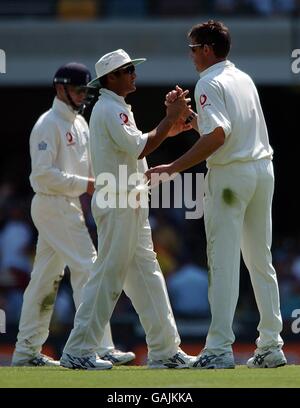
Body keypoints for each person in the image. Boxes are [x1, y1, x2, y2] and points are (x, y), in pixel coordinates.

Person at [147, 20, 287, 369]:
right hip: (261, 171)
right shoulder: (242, 78)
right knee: (260, 260)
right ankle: (271, 345)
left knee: (223, 262)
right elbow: (223, 129)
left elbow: (219, 136)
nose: (191, 55)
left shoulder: (208, 81)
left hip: (229, 178)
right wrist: (189, 118)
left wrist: (172, 167)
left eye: (193, 48)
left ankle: (219, 349)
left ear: (207, 49)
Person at [60, 49, 195, 370]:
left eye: (133, 68)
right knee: (108, 275)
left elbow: (135, 147)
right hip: (118, 201)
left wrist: (170, 126)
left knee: (147, 275)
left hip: (130, 201)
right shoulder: (109, 108)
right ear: (110, 78)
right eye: (127, 70)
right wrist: (169, 117)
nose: (133, 73)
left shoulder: (115, 107)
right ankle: (77, 350)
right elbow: (141, 146)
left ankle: (164, 350)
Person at [12, 62, 135, 367]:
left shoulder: (80, 124)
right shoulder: (47, 124)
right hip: (51, 203)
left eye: (85, 91)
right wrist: (87, 185)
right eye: (79, 90)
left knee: (45, 279)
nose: (83, 96)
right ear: (60, 88)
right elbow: (41, 177)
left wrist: (112, 186)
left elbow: (92, 169)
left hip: (67, 206)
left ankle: (26, 352)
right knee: (90, 269)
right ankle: (94, 348)